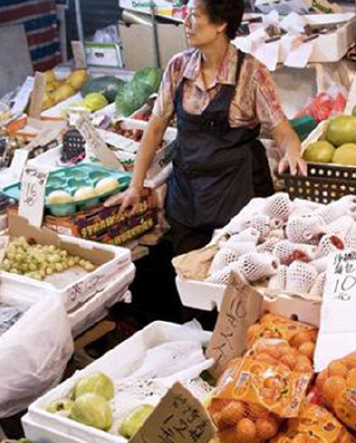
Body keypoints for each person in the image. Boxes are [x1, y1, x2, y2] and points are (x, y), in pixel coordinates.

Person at [110, 0, 307, 256]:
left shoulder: (251, 73)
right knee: (186, 273)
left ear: (221, 24)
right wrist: (136, 185)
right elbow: (155, 128)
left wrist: (292, 152)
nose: (186, 23)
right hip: (187, 197)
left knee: (235, 277)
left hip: (238, 195)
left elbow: (282, 131)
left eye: (194, 15)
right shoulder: (179, 67)